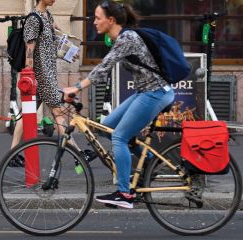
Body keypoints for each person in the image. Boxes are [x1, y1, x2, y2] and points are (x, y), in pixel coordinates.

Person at [63, 0, 175, 209]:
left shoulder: (127, 38)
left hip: (156, 93)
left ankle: (125, 193)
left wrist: (76, 87)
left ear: (111, 20)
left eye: (97, 18)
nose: (93, 22)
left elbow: (104, 67)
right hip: (146, 91)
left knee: (119, 137)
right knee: (108, 127)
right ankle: (149, 161)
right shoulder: (122, 38)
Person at [9, 0, 96, 166]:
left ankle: (12, 154)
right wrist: (30, 76)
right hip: (41, 76)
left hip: (47, 73)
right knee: (58, 113)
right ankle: (78, 155)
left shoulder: (47, 15)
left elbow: (54, 41)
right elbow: (30, 50)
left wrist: (68, 51)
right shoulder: (33, 19)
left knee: (26, 114)